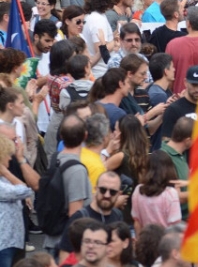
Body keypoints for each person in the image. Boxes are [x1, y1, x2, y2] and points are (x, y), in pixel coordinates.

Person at [42, 114, 92, 254]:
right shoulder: (77, 170)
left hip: (54, 238)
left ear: (62, 136)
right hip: (65, 244)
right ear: (85, 136)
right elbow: (75, 214)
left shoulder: (55, 159)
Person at [57, 171, 125, 261]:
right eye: (103, 190)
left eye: (112, 192)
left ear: (119, 194)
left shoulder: (118, 215)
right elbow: (65, 254)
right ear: (96, 189)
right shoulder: (79, 217)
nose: (107, 195)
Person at [0, 135, 33, 266]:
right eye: (8, 154)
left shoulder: (4, 179)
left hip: (11, 240)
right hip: (4, 243)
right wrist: (7, 172)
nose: (10, 158)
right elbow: (24, 190)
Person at [131, 151, 182, 235]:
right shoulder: (170, 193)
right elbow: (174, 226)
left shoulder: (138, 190)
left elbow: (137, 223)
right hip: (164, 242)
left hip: (145, 241)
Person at [160, 65, 198, 142]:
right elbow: (167, 144)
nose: (197, 89)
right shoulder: (173, 109)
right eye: (194, 85)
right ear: (185, 83)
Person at [82, 0, 117, 78]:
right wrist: (116, 42)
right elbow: (100, 48)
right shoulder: (96, 19)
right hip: (100, 73)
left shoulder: (97, 16)